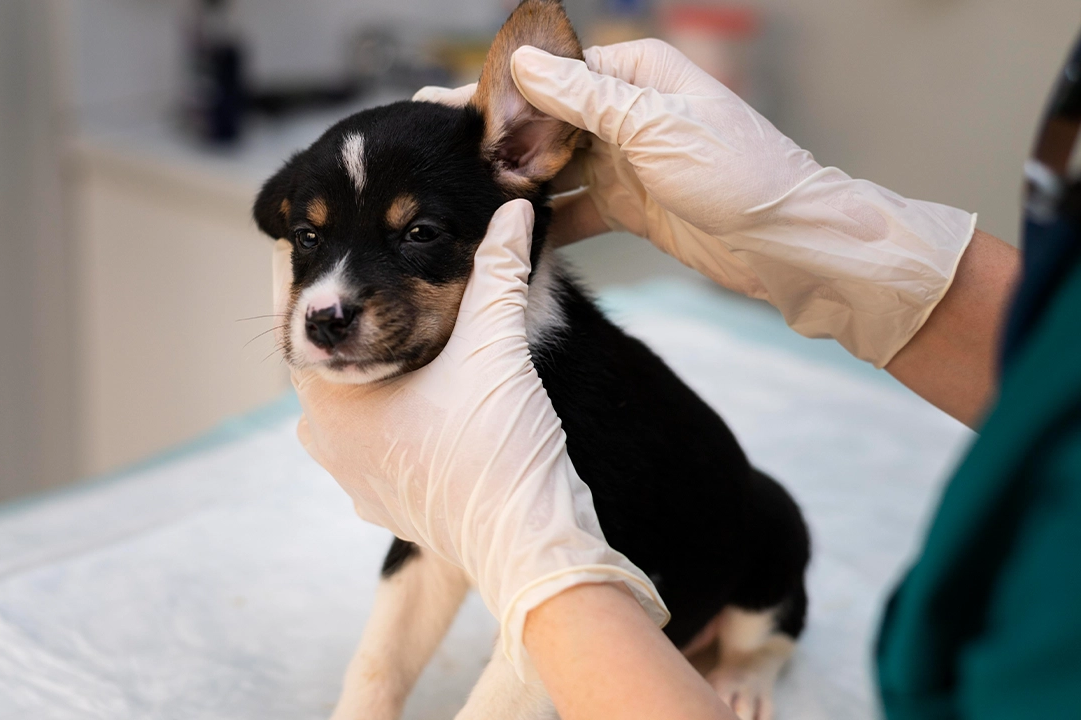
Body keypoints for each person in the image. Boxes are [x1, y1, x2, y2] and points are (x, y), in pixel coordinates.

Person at [278, 35, 1081, 720]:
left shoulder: (563, 386)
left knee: (771, 528)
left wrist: (553, 583)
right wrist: (836, 241)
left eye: (417, 232)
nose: (331, 299)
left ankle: (760, 653)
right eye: (313, 244)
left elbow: (554, 617)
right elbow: (431, 554)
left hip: (709, 588)